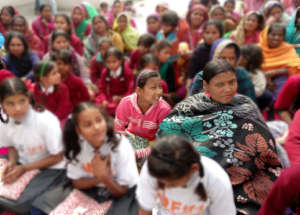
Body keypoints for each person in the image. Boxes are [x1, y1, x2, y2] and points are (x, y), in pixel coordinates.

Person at [158, 60, 282, 215]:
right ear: (206, 85)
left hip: (247, 181)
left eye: (232, 82)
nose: (228, 89)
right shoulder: (187, 109)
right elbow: (166, 142)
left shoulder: (246, 106)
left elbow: (265, 145)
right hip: (196, 178)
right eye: (220, 84)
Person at [0, 77, 66, 214]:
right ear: (2, 105)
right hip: (25, 164)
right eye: (10, 103)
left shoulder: (46, 121)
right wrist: (12, 163)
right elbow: (11, 146)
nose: (17, 108)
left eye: (22, 101)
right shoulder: (5, 123)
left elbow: (58, 157)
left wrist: (24, 168)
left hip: (53, 169)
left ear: (28, 99)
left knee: (37, 207)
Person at [62, 102, 139, 214]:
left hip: (124, 194)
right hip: (93, 190)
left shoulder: (120, 146)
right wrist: (99, 178)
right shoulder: (77, 147)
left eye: (99, 120)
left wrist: (105, 177)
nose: (96, 127)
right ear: (79, 131)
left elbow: (123, 190)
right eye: (88, 125)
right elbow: (76, 182)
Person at [136, 135, 236, 215]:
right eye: (162, 183)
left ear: (194, 169)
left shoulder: (217, 180)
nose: (167, 188)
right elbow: (145, 209)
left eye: (173, 184)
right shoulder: (153, 169)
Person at [115, 70, 171, 153]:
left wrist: (140, 153)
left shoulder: (164, 109)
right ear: (139, 91)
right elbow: (118, 128)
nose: (159, 92)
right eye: (153, 87)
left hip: (153, 144)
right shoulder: (126, 103)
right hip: (131, 138)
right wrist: (124, 147)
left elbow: (164, 139)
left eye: (160, 87)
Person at [190, 38, 256, 103]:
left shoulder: (242, 75)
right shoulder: (202, 77)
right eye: (223, 58)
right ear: (214, 57)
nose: (228, 62)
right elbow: (193, 106)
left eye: (232, 58)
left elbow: (251, 105)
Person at [258, 23, 300, 101]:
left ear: (283, 37)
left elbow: (296, 66)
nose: (276, 38)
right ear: (267, 35)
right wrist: (266, 79)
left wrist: (272, 73)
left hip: (280, 81)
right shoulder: (258, 49)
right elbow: (252, 68)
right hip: (259, 80)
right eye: (273, 34)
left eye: (280, 35)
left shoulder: (287, 48)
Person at [95, 47, 134, 115]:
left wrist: (121, 98)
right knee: (98, 103)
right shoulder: (105, 72)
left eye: (114, 61)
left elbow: (130, 90)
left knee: (127, 106)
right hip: (110, 97)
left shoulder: (127, 72)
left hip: (123, 97)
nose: (111, 65)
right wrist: (104, 99)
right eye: (108, 62)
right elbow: (102, 88)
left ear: (120, 61)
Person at [187, 19, 224, 90]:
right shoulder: (199, 50)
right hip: (201, 84)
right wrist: (189, 84)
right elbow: (192, 71)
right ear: (203, 34)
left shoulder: (223, 49)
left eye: (214, 33)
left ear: (220, 34)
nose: (210, 36)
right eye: (207, 32)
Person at [239, 44, 273, 111]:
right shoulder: (237, 69)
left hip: (250, 97)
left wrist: (247, 88)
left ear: (246, 60)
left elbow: (259, 91)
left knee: (267, 95)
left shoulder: (257, 74)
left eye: (240, 56)